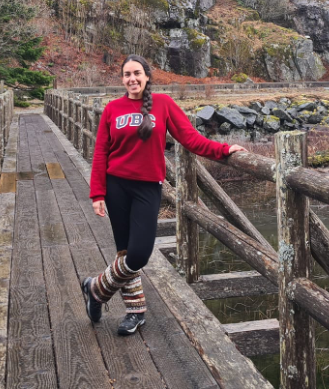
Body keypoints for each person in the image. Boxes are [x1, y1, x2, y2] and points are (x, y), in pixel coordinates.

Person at [81, 54, 247, 336]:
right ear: (122, 79)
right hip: (116, 187)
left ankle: (96, 288)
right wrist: (97, 192)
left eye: (137, 73)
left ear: (146, 76)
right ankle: (135, 313)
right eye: (126, 75)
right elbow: (100, 153)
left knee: (138, 254)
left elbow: (190, 138)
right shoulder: (112, 109)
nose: (131, 79)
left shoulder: (163, 105)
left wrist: (222, 150)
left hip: (147, 187)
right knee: (124, 252)